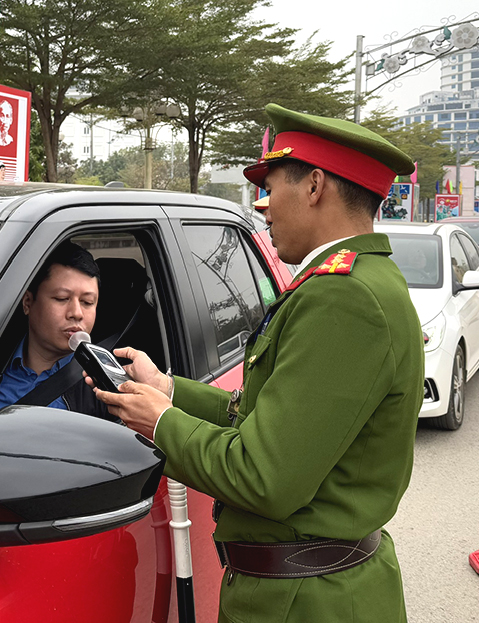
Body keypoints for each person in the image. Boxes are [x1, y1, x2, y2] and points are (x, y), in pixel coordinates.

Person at [90, 104, 424, 622]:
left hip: (307, 602)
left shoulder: (345, 298)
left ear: (314, 186)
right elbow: (266, 416)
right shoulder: (357, 282)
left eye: (271, 188)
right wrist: (171, 390)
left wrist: (159, 423)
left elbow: (264, 476)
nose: (263, 207)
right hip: (306, 588)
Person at [0, 241, 109, 434]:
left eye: (87, 302)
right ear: (28, 302)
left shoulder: (102, 387)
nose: (76, 313)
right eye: (62, 298)